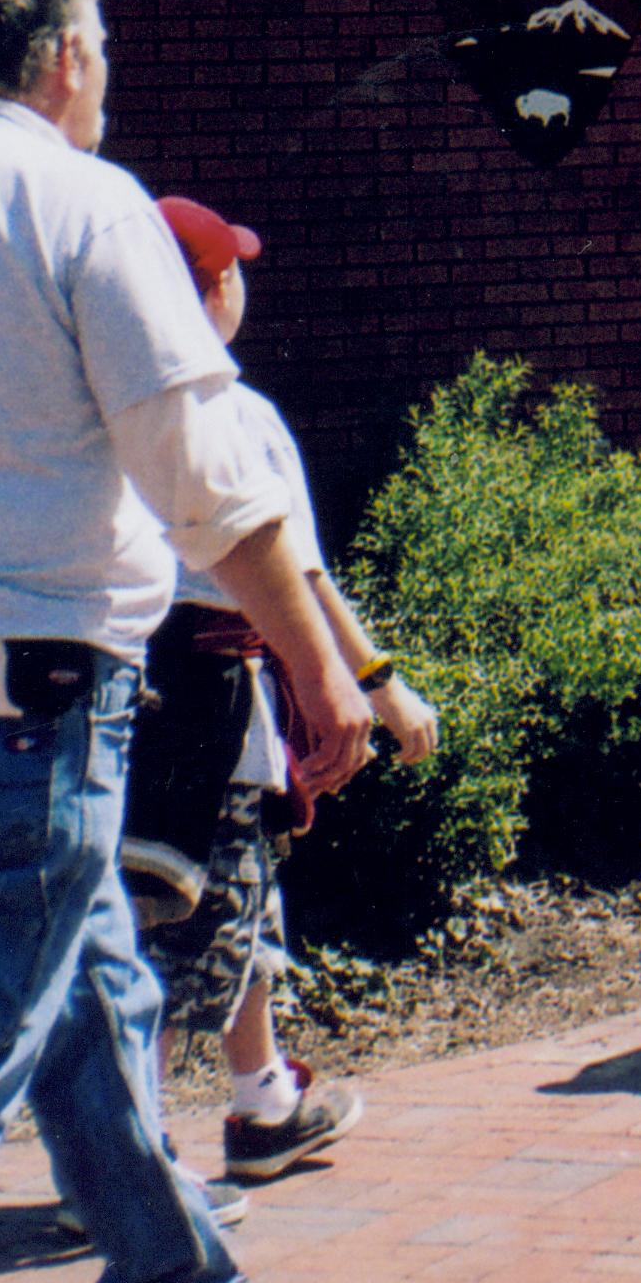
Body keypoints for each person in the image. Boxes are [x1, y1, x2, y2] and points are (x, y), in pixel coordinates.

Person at [0, 0, 372, 1283]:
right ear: (66, 59)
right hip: (33, 689)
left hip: (16, 692)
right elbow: (201, 467)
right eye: (105, 58)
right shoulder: (83, 205)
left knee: (88, 996)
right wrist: (325, 671)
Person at [124, 195, 441, 1190]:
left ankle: (262, 1096)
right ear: (214, 289)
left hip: (116, 685)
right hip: (215, 687)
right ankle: (128, 1163)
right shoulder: (236, 412)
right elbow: (297, 572)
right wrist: (377, 685)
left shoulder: (105, 406)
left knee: (216, 893)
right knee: (193, 910)